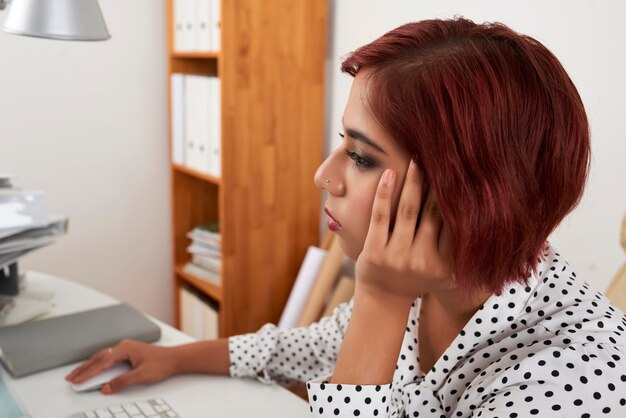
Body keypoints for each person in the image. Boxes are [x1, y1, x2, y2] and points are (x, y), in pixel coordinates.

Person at [67, 17, 626, 417]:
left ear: (466, 195)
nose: (323, 175)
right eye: (345, 144)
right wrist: (174, 358)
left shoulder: (572, 384)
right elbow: (315, 346)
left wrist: (381, 301)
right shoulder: (433, 275)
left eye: (360, 157)